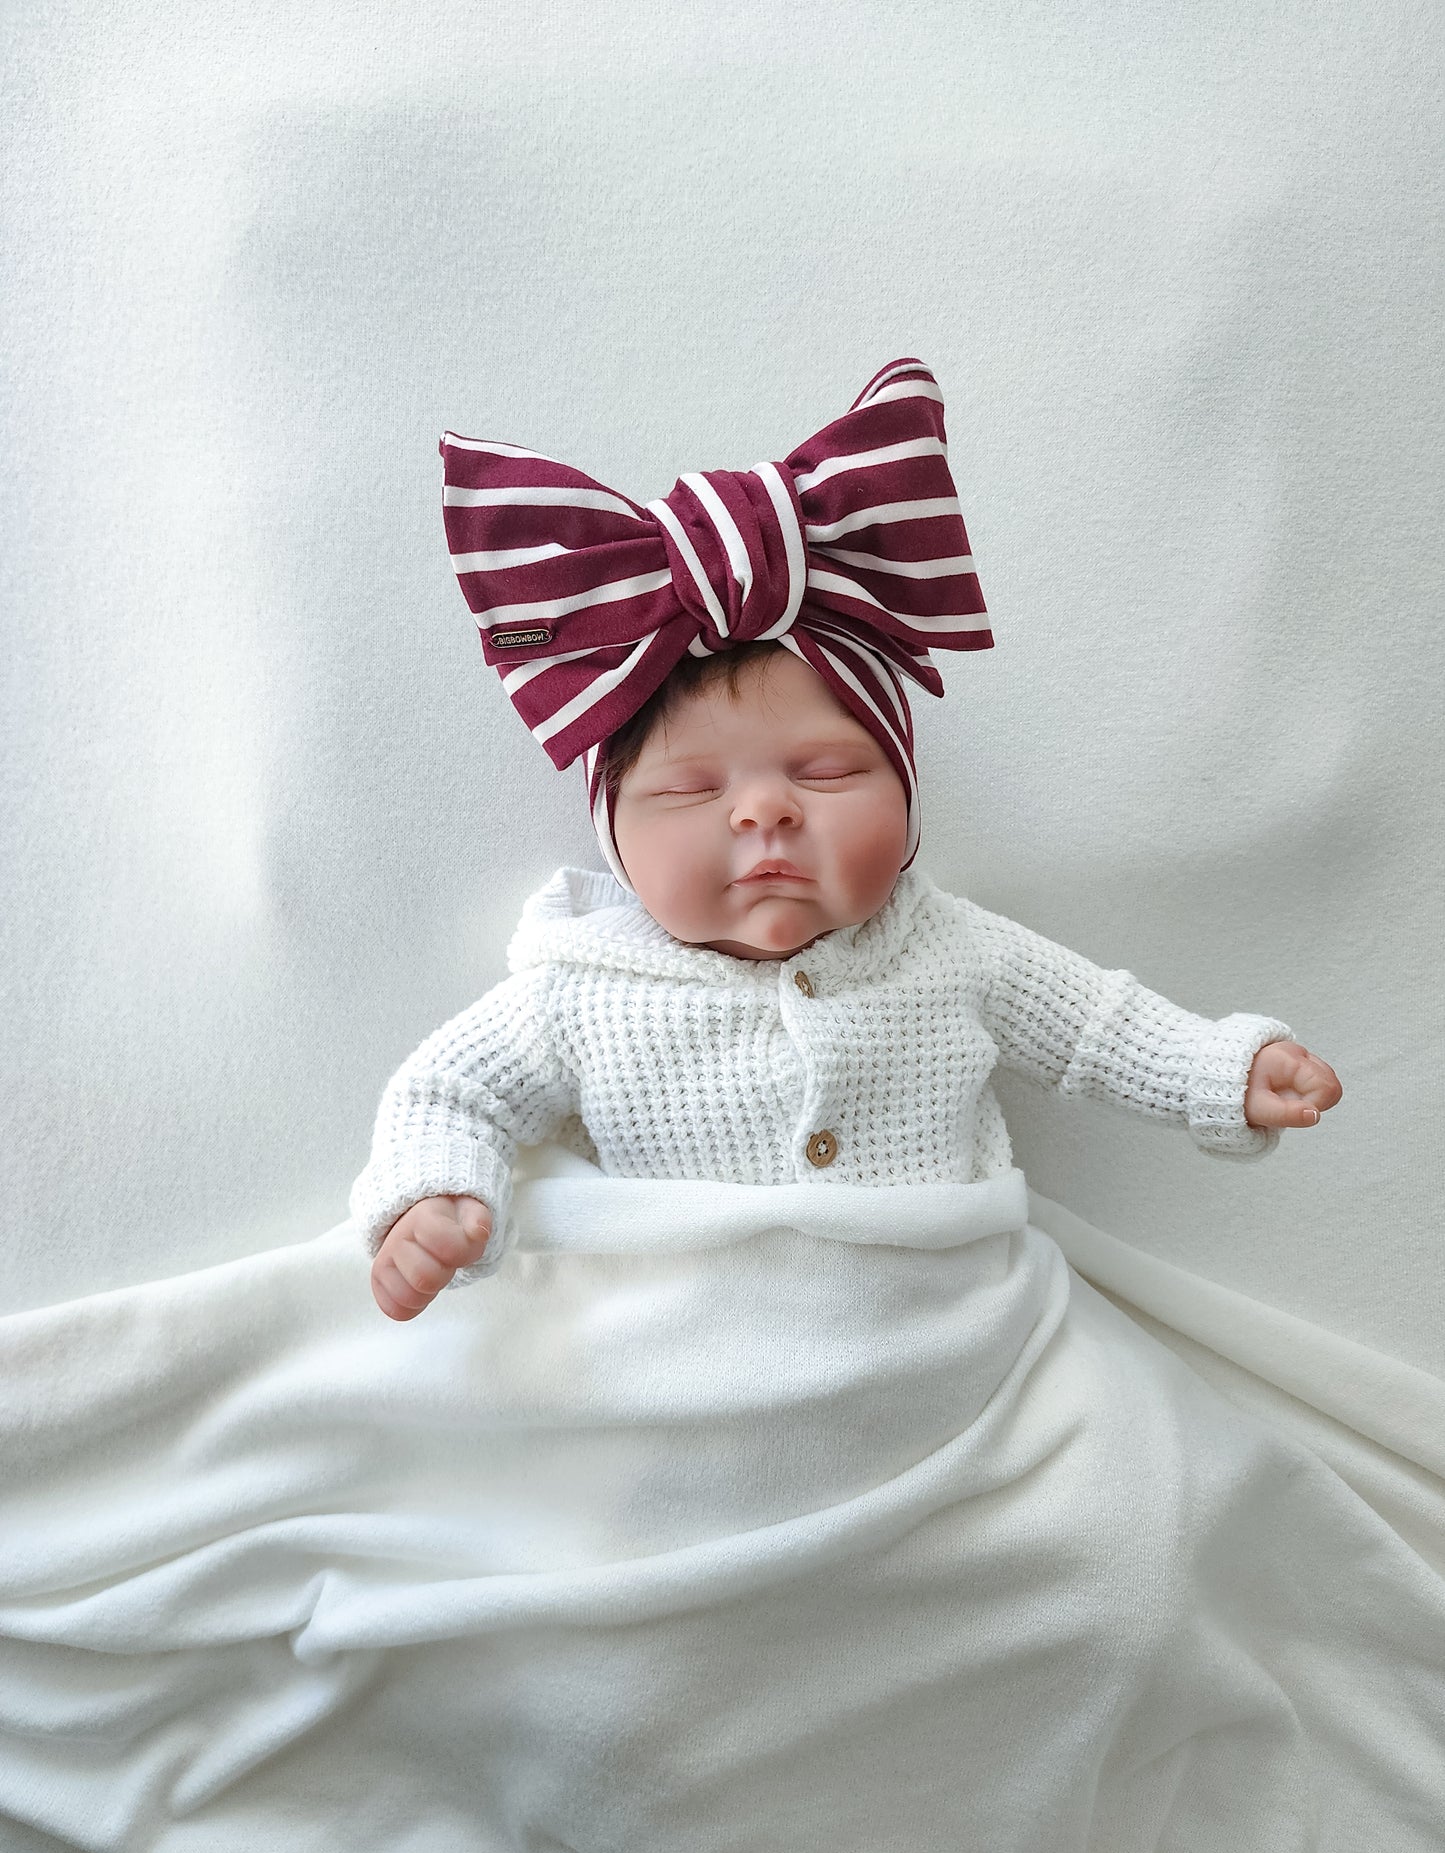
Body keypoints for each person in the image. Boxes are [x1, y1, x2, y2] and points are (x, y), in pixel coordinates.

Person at [350, 357, 1342, 1323]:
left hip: (951, 1336)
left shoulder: (946, 947)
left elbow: (1095, 1029)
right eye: (693, 789)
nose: (760, 813)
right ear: (612, 836)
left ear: (907, 806)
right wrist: (435, 1195)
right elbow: (450, 1087)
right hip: (691, 1357)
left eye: (822, 774)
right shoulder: (582, 993)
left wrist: (1221, 1071)